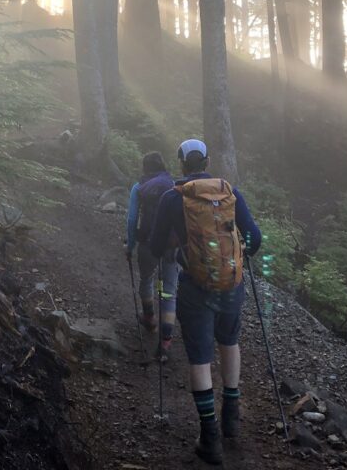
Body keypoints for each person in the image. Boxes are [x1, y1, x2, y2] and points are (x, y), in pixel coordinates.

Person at [149, 139, 262, 466]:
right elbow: (255, 237)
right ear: (208, 161)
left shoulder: (173, 198)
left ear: (181, 164)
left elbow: (157, 247)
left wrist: (176, 244)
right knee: (230, 341)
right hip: (231, 285)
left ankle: (209, 437)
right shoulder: (230, 192)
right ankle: (232, 417)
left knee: (199, 358)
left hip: (195, 286)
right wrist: (242, 257)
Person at [124, 151, 179, 359]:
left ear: (144, 168)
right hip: (171, 247)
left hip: (147, 243)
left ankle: (149, 319)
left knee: (147, 279)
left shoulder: (139, 188)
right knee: (169, 291)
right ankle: (165, 342)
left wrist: (130, 246)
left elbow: (131, 220)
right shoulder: (174, 185)